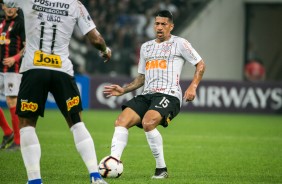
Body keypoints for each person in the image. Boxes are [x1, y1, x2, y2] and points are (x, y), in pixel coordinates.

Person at [1, 0, 111, 184]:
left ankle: (35, 180)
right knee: (76, 123)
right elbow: (96, 39)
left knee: (27, 125)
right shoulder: (75, 4)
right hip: (62, 71)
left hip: (34, 69)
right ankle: (95, 176)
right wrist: (105, 50)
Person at [103, 10, 206, 179]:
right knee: (120, 121)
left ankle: (161, 169)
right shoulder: (146, 47)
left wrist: (193, 86)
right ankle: (114, 162)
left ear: (171, 26)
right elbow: (141, 78)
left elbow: (200, 64)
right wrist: (124, 89)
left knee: (148, 122)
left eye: (163, 24)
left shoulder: (180, 43)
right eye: (157, 23)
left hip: (169, 94)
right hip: (147, 94)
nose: (159, 27)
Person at [0, 5, 25, 150]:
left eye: (13, 6)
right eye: (7, 6)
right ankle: (7, 132)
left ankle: (18, 140)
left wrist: (15, 58)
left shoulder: (21, 23)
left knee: (11, 100)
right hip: (0, 68)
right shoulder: (2, 22)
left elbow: (27, 46)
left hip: (13, 69)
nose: (10, 9)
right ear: (3, 6)